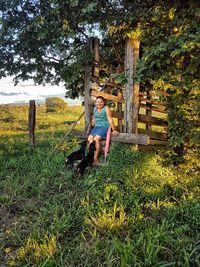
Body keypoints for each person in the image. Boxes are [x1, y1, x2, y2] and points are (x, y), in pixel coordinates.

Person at [88, 96, 119, 165]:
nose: (99, 103)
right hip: (96, 127)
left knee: (96, 139)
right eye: (97, 102)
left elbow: (110, 119)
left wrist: (113, 129)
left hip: (104, 126)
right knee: (90, 139)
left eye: (101, 102)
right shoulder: (95, 109)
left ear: (104, 102)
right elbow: (94, 118)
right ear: (95, 103)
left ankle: (95, 159)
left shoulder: (106, 108)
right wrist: (92, 125)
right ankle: (90, 157)